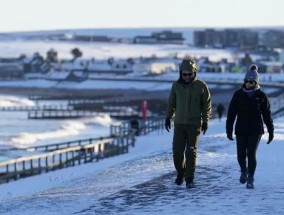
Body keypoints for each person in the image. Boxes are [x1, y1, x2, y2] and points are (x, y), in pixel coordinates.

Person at [165, 58, 211, 189]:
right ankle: (181, 173)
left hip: (194, 124)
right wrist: (168, 117)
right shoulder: (176, 86)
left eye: (189, 74)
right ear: (180, 73)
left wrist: (205, 121)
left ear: (194, 73)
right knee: (177, 152)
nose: (187, 77)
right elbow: (171, 102)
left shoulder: (201, 86)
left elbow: (206, 105)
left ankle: (189, 178)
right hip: (179, 124)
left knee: (191, 152)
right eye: (184, 74)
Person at [226, 64, 274, 189]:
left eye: (251, 81)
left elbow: (267, 115)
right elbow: (231, 114)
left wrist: (271, 130)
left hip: (255, 129)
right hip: (241, 129)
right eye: (246, 81)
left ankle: (251, 178)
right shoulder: (238, 95)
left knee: (251, 153)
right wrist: (229, 129)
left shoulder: (261, 96)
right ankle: (244, 171)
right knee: (240, 154)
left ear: (256, 82)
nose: (248, 83)